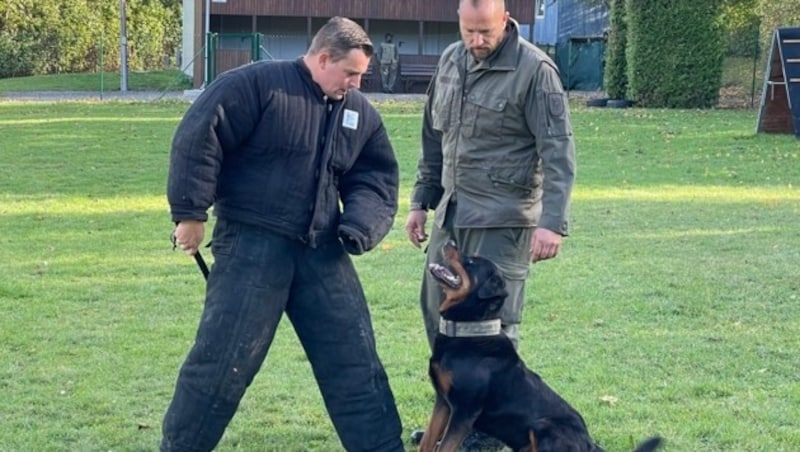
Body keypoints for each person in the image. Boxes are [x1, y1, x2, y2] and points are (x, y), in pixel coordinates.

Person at [161, 16, 404, 452]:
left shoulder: (357, 113)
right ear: (323, 57)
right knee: (220, 366)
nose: (356, 84)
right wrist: (190, 214)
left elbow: (375, 177)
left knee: (356, 364)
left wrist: (360, 225)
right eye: (350, 73)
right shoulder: (257, 86)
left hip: (324, 252)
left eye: (361, 77)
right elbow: (199, 136)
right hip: (251, 248)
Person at [405, 0, 576, 448]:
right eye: (469, 31)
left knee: (495, 328)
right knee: (436, 314)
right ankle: (458, 413)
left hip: (504, 219)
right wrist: (421, 200)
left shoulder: (536, 71)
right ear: (459, 21)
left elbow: (558, 150)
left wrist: (552, 222)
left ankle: (487, 430)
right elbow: (433, 138)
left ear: (505, 20)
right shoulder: (449, 61)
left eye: (486, 31)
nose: (477, 41)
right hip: (452, 211)